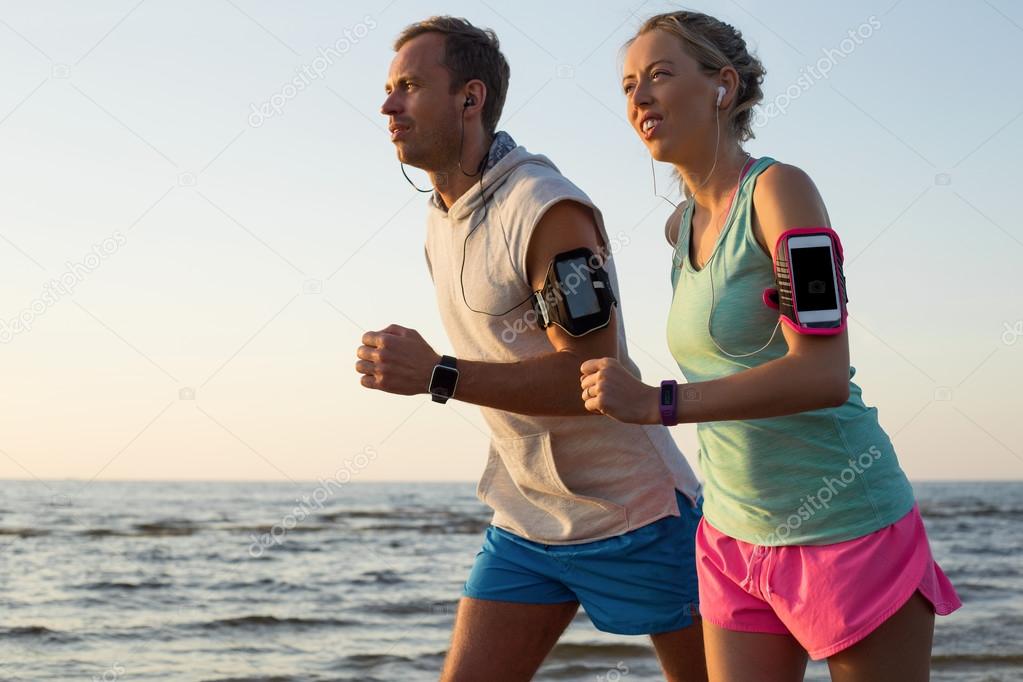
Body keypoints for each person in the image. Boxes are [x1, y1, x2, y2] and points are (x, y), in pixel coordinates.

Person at [579, 11, 961, 682]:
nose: (639, 98)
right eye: (628, 84)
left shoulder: (780, 192)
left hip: (845, 528)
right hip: (732, 538)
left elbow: (822, 375)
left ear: (722, 85)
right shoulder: (679, 226)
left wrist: (657, 403)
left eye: (661, 75)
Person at [357, 15, 707, 682]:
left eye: (408, 85)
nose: (387, 104)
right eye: (387, 87)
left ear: (470, 97)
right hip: (525, 520)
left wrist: (437, 374)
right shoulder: (440, 216)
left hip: (633, 516)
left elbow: (594, 375)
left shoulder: (545, 208)